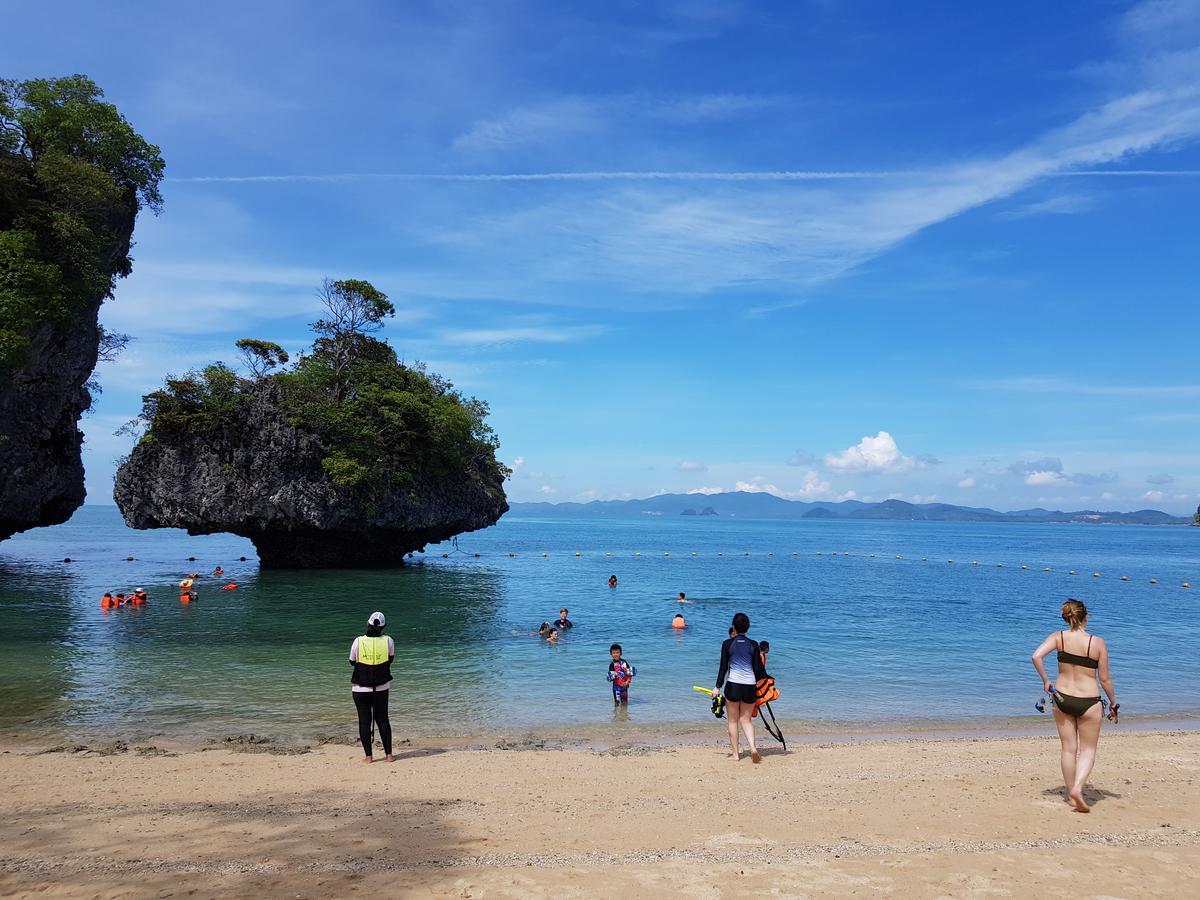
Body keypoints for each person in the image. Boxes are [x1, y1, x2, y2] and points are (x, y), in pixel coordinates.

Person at [1031, 599, 1119, 813]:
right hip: (1089, 701)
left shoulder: (1058, 637)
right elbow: (1105, 679)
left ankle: (1072, 795)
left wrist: (1045, 680)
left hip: (1061, 698)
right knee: (1088, 749)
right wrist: (1114, 702)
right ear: (1085, 617)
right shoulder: (1097, 643)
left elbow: (1036, 656)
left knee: (1068, 749)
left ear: (1067, 617)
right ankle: (1078, 788)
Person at [715, 612, 768, 763]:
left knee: (732, 721)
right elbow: (758, 669)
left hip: (733, 686)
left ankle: (736, 755)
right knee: (747, 721)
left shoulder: (727, 644)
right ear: (748, 627)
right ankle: (752, 748)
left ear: (734, 627)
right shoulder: (753, 644)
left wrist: (717, 687)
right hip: (749, 687)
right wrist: (766, 685)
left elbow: (723, 668)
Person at [350, 611, 395, 764]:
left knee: (364, 721)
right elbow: (390, 659)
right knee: (382, 719)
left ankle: (369, 757)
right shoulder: (389, 640)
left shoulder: (358, 641)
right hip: (381, 687)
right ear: (383, 627)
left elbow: (352, 661)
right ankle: (389, 755)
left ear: (367, 623)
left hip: (360, 688)